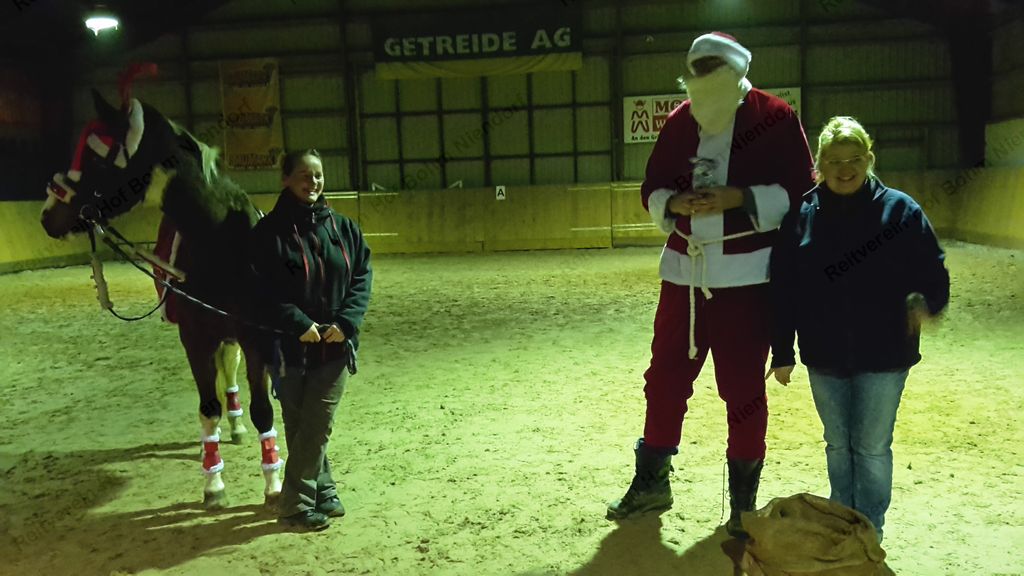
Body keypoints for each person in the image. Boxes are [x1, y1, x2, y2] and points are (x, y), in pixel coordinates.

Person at [607, 32, 815, 538]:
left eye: (712, 68)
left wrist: (739, 197)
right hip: (684, 275)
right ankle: (652, 483)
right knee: (664, 380)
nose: (703, 77)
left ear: (736, 69)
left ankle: (743, 505)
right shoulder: (680, 120)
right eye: (696, 69)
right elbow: (653, 185)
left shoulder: (775, 116)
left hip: (746, 279)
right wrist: (673, 203)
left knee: (743, 389)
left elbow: (802, 189)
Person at [766, 116, 950, 542]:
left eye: (853, 159)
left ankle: (869, 530)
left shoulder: (901, 211)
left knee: (871, 447)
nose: (844, 168)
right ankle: (841, 520)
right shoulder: (801, 215)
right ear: (819, 165)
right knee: (837, 444)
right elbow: (783, 286)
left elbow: (933, 266)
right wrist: (782, 351)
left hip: (885, 354)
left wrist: (929, 303)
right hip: (824, 354)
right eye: (834, 160)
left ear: (869, 159)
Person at [250, 149, 373, 531]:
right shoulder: (267, 234)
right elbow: (260, 290)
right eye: (304, 175)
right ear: (285, 179)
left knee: (317, 422)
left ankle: (297, 501)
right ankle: (316, 493)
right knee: (302, 425)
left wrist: (347, 322)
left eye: (318, 175)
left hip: (334, 347)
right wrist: (298, 322)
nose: (313, 182)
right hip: (287, 348)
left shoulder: (345, 228)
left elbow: (361, 276)